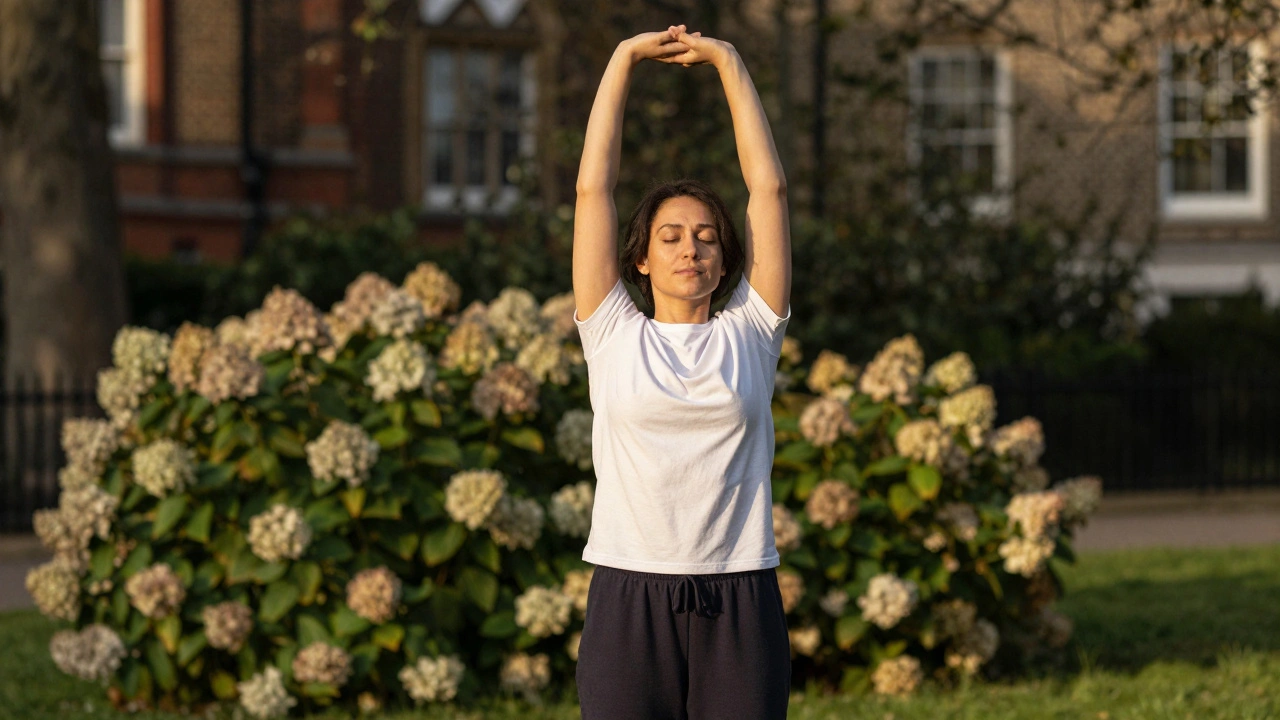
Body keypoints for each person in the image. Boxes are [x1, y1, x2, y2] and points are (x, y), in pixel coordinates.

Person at [571, 23, 794, 720]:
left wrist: (728, 62)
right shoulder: (611, 332)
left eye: (705, 239)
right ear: (641, 258)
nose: (689, 249)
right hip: (628, 595)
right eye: (670, 237)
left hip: (739, 595)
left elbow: (770, 192)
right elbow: (591, 191)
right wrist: (622, 60)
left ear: (725, 262)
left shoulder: (752, 332)